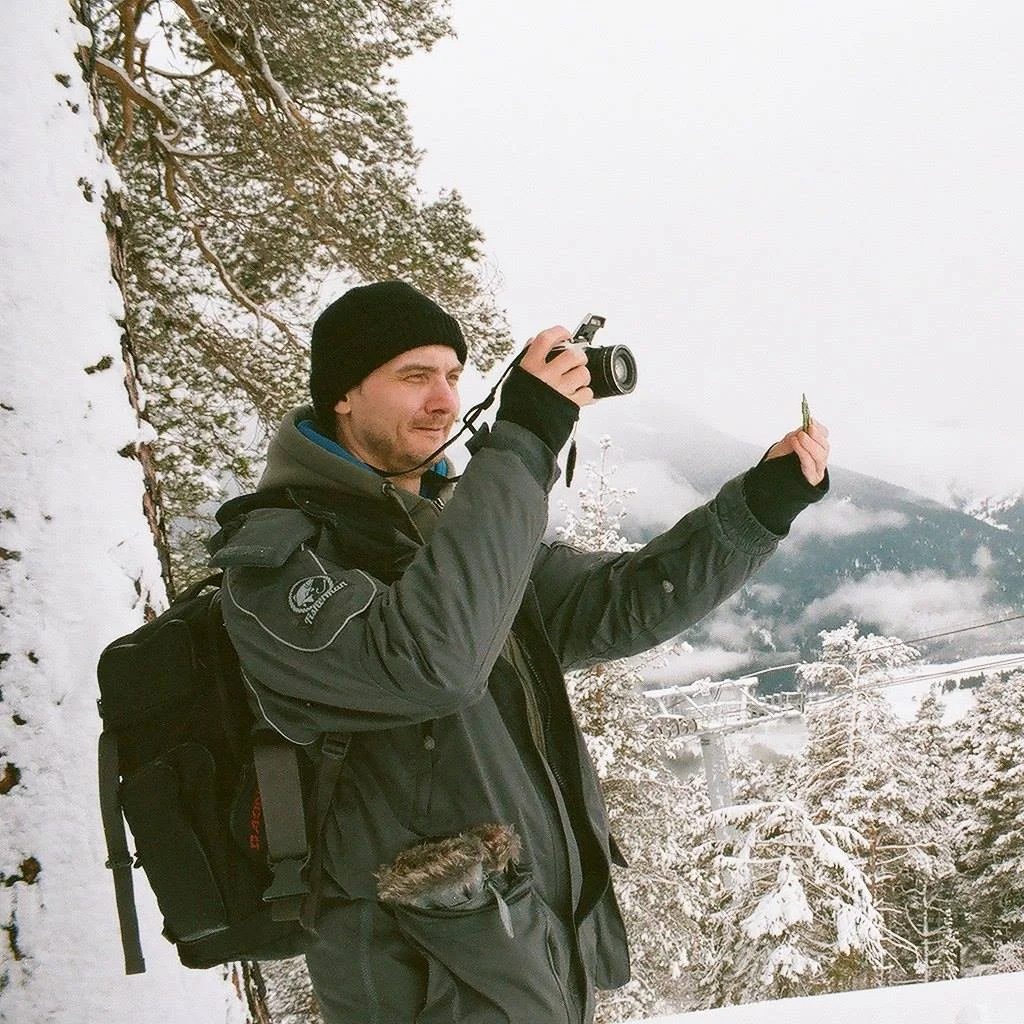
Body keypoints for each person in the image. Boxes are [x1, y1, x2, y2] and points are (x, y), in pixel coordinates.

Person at [208, 280, 829, 1024]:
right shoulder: (278, 568)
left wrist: (760, 505)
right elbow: (431, 664)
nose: (442, 400)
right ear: (343, 393)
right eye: (414, 377)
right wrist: (524, 443)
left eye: (452, 376)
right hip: (420, 982)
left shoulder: (449, 533)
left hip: (525, 956)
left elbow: (621, 602)